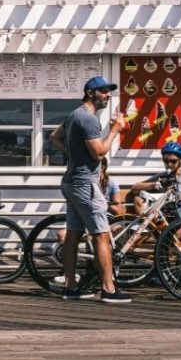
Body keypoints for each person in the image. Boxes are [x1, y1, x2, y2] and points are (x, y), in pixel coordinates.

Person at [48, 75, 131, 303]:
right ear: (89, 92)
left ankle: (70, 287)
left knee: (73, 234)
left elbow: (54, 137)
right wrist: (114, 130)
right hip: (85, 185)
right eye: (102, 91)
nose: (107, 95)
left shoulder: (75, 115)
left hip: (71, 182)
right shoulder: (88, 119)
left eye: (108, 91)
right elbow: (99, 152)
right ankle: (108, 289)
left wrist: (74, 153)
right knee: (101, 235)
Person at [126, 141, 181, 220]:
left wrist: (177, 195)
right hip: (169, 217)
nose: (169, 164)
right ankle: (147, 226)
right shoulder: (163, 176)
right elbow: (134, 188)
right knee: (137, 198)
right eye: (166, 161)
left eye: (173, 161)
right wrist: (154, 184)